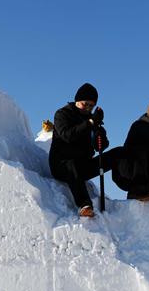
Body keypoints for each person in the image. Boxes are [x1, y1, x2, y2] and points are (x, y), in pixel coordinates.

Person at [48, 83, 121, 218]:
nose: (88, 108)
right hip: (62, 166)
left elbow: (101, 146)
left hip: (83, 166)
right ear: (77, 100)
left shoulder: (91, 119)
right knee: (72, 164)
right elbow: (67, 135)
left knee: (119, 152)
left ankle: (136, 190)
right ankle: (84, 204)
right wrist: (90, 123)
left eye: (91, 106)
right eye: (85, 104)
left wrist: (99, 133)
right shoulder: (62, 114)